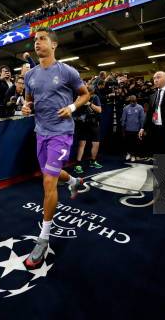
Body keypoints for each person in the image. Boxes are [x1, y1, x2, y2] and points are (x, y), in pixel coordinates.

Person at [22, 27, 90, 268]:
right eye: (35, 40)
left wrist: (72, 108)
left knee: (48, 182)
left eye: (42, 39)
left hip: (62, 133)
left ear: (54, 45)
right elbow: (28, 100)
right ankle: (72, 181)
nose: (37, 43)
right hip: (40, 133)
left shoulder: (67, 71)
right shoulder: (30, 75)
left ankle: (44, 237)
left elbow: (85, 94)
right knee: (50, 174)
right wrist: (26, 107)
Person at [73, 85, 103, 174]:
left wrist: (90, 103)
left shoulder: (95, 97)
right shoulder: (79, 97)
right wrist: (80, 101)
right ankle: (78, 164)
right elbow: (74, 108)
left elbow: (99, 110)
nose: (89, 93)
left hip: (94, 123)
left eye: (90, 92)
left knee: (96, 143)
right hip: (83, 123)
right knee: (82, 143)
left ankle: (93, 161)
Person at [121, 95, 145, 162]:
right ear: (129, 101)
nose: (132, 103)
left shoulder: (140, 107)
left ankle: (133, 155)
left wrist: (142, 128)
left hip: (136, 129)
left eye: (134, 102)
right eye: (131, 102)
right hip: (128, 129)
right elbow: (123, 119)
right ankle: (128, 153)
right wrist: (123, 128)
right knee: (128, 142)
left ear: (136, 101)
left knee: (135, 143)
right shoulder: (126, 108)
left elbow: (142, 119)